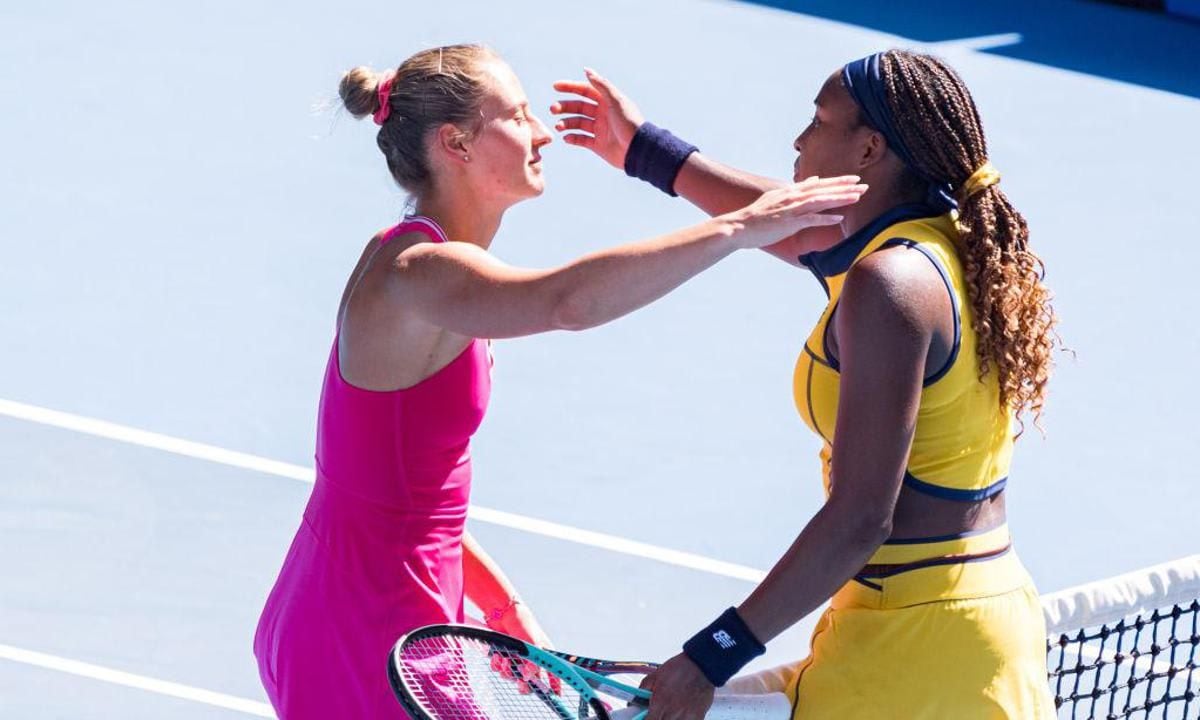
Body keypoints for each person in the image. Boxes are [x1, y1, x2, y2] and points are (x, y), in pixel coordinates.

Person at [252, 44, 865, 719]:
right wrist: (738, 230)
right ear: (455, 143)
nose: (541, 132)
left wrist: (507, 614)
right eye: (516, 116)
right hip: (363, 630)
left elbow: (415, 505)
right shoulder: (420, 274)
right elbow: (567, 302)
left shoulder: (426, 264)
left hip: (394, 607)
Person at [552, 50, 1059, 718]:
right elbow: (790, 224)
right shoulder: (946, 239)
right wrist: (644, 150)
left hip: (915, 655)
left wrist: (712, 656)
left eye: (819, 120)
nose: (799, 139)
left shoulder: (890, 284)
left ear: (870, 148)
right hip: (973, 629)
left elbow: (860, 519)